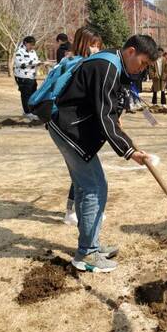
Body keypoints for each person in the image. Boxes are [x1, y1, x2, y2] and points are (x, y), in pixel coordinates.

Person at [48, 34, 158, 273]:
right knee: (94, 187)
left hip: (70, 129)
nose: (142, 69)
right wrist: (129, 151)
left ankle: (91, 245)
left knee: (87, 186)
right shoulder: (107, 66)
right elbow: (103, 116)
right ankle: (87, 253)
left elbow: (107, 108)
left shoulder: (113, 65)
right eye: (143, 63)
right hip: (70, 131)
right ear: (131, 51)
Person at [60, 27, 103, 227]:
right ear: (82, 43)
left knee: (79, 175)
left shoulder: (75, 63)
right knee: (83, 178)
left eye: (98, 46)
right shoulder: (76, 65)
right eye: (92, 45)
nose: (95, 49)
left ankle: (76, 211)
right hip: (71, 129)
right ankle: (73, 212)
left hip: (73, 128)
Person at [14, 36, 40, 120]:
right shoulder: (19, 51)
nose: (32, 46)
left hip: (32, 76)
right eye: (31, 44)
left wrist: (39, 63)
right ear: (25, 43)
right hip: (23, 77)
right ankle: (27, 112)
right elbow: (20, 64)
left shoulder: (33, 52)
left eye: (33, 45)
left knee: (33, 94)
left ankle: (32, 111)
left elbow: (36, 60)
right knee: (25, 95)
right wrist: (35, 63)